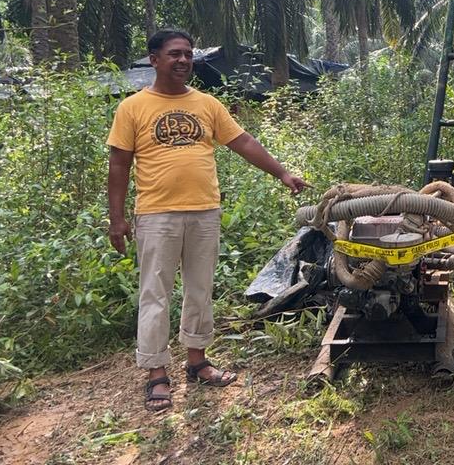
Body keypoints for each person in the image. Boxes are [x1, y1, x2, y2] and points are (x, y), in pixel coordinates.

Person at [107, 29, 308, 411]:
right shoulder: (132, 107)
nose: (183, 61)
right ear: (154, 59)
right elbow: (119, 165)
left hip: (204, 211)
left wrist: (282, 173)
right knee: (155, 293)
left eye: (188, 54)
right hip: (156, 215)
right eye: (174, 54)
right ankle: (155, 373)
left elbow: (243, 141)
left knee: (200, 289)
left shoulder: (206, 104)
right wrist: (117, 219)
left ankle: (197, 362)